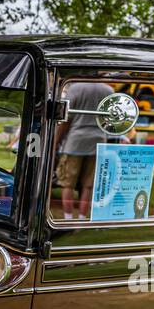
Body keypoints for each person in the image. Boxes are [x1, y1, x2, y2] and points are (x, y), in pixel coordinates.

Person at [55, 81, 114, 219]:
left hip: (75, 142)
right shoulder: (109, 90)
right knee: (89, 185)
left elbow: (66, 120)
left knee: (67, 184)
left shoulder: (75, 88)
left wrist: (56, 142)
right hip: (99, 141)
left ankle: (67, 218)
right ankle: (82, 218)